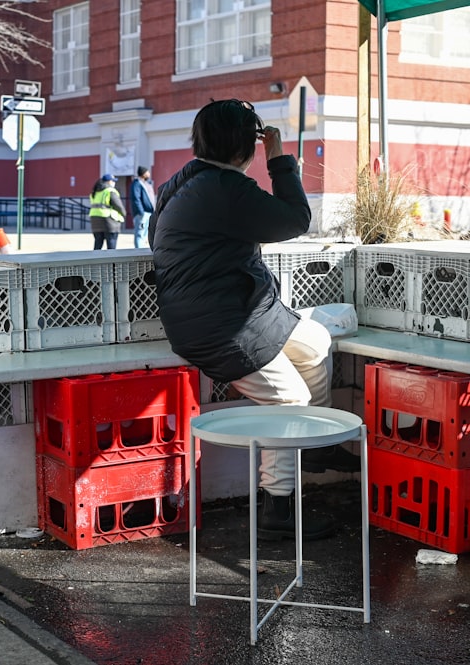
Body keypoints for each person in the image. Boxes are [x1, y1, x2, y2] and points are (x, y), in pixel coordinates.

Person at [149, 99, 359, 542]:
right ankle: (278, 506)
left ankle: (312, 448)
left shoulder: (183, 181)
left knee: (317, 341)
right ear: (247, 144)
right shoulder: (226, 188)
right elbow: (295, 219)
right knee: (290, 402)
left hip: (245, 312)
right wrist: (280, 159)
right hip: (224, 328)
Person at [89, 174, 125, 250]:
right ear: (109, 181)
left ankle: (96, 261)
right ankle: (111, 261)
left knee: (98, 245)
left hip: (95, 220)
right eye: (113, 181)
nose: (114, 183)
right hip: (109, 221)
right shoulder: (110, 191)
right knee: (111, 246)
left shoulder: (95, 192)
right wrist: (124, 213)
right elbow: (118, 206)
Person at [129, 166, 156, 249]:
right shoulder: (137, 183)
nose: (149, 174)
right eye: (147, 172)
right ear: (143, 173)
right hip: (142, 213)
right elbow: (136, 198)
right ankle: (139, 252)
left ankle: (142, 250)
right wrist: (141, 212)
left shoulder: (146, 183)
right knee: (140, 234)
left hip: (149, 213)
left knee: (145, 234)